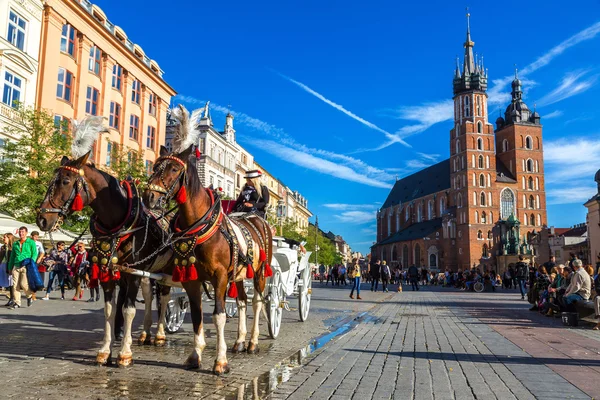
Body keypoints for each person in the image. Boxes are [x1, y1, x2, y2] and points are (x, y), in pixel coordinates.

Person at [7, 226, 38, 309]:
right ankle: (17, 302)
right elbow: (12, 256)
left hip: (26, 265)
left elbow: (34, 253)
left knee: (24, 284)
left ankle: (29, 296)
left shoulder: (31, 242)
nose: (21, 233)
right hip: (16, 265)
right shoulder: (15, 244)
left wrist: (32, 262)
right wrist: (10, 267)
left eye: (23, 232)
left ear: (26, 233)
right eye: (20, 232)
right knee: (15, 285)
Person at [30, 231, 45, 301]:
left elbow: (42, 252)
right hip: (27, 260)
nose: (36, 238)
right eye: (35, 236)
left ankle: (33, 294)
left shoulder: (39, 243)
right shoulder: (28, 242)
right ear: (31, 236)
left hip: (35, 261)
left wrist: (39, 258)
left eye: (37, 236)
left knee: (33, 277)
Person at [0, 233, 14, 303]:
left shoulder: (13, 247)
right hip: (2, 264)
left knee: (11, 282)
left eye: (5, 237)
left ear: (9, 238)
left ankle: (12, 298)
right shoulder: (3, 247)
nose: (3, 239)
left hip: (9, 266)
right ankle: (11, 298)